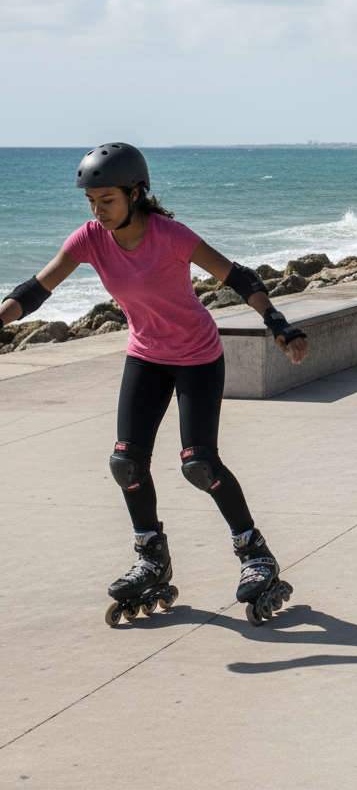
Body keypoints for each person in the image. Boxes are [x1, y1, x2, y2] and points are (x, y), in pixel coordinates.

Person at [0, 143, 308, 627]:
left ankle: (255, 553)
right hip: (146, 356)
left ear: (135, 193)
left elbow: (237, 276)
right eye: (91, 201)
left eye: (106, 200)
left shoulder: (170, 235)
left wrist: (277, 322)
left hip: (197, 357)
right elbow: (36, 289)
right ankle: (151, 556)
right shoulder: (89, 239)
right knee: (125, 462)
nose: (97, 211)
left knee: (199, 464)